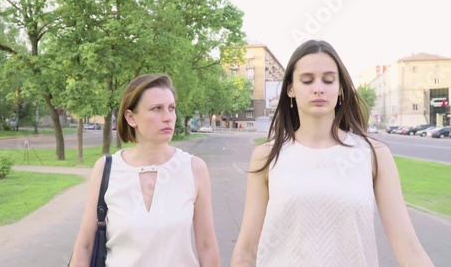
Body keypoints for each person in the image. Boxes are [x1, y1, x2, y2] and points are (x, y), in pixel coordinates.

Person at [230, 40, 435, 267]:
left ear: (339, 89)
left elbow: (408, 247)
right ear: (290, 89)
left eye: (328, 80)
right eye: (307, 80)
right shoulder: (267, 155)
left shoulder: (373, 154)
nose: (318, 88)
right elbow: (247, 250)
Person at [70, 74, 220, 267]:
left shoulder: (194, 169)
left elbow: (207, 247)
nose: (168, 117)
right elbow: (85, 245)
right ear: (131, 117)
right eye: (157, 109)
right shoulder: (106, 169)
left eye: (171, 108)